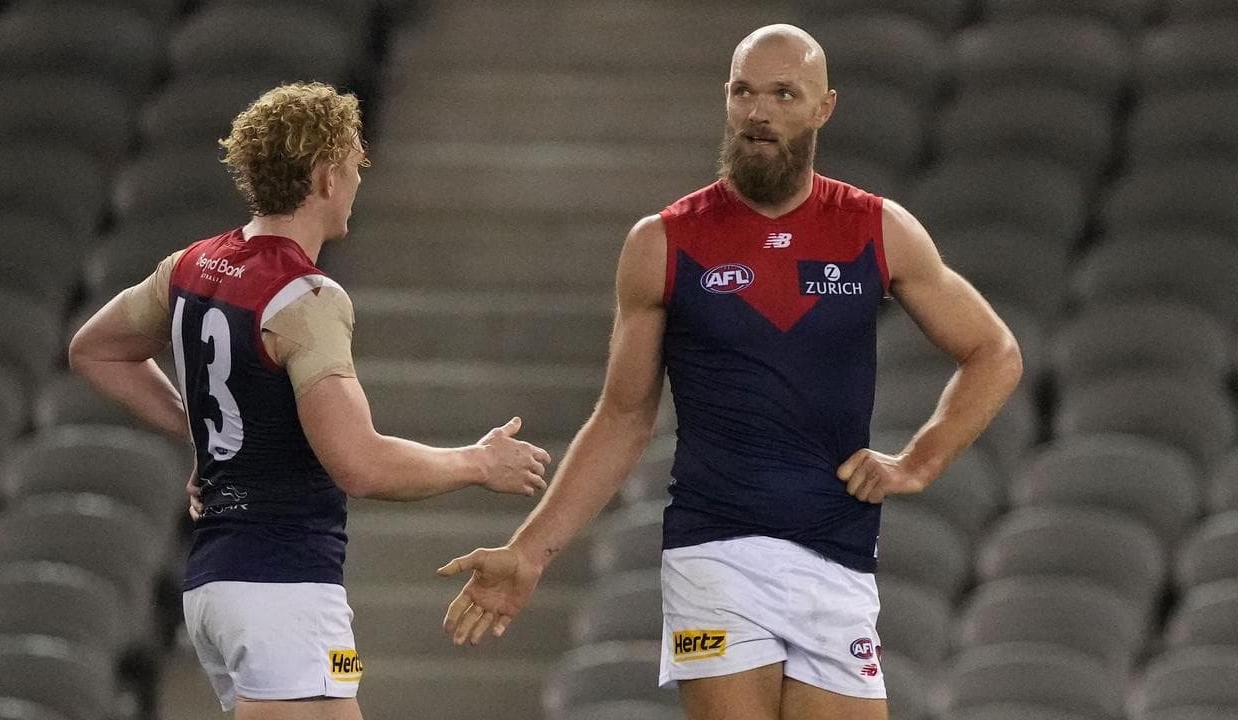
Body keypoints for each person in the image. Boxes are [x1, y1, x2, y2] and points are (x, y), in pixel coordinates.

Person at [438, 24, 1022, 720]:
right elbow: (623, 418)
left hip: (837, 554)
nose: (759, 111)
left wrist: (920, 461)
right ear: (726, 99)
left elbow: (994, 353)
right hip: (715, 553)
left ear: (824, 108)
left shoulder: (876, 229)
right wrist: (529, 551)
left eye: (783, 93)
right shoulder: (664, 242)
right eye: (744, 92)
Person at [69, 82, 551, 720]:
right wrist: (477, 462)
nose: (357, 182)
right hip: (282, 587)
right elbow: (361, 465)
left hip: (226, 585)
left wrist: (205, 433)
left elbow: (93, 348)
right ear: (326, 177)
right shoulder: (306, 298)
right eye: (354, 168)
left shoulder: (188, 268)